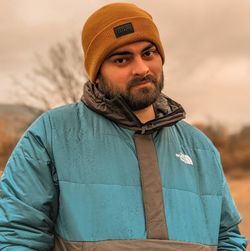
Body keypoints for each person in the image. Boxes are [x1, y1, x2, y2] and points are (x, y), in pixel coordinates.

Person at [0, 2, 247, 250]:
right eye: (122, 59)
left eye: (148, 53)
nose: (141, 68)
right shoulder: (52, 134)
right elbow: (17, 235)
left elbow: (227, 237)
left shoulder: (200, 147)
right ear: (96, 73)